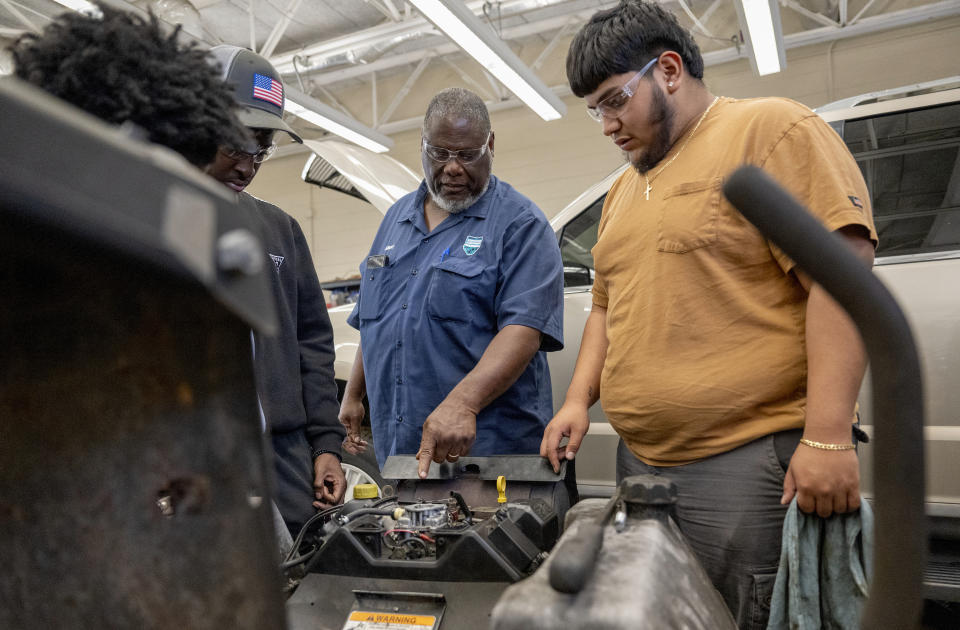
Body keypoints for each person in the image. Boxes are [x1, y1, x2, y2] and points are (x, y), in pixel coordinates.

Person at [539, 1, 877, 627]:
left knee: (738, 615)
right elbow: (607, 307)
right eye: (595, 110)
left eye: (616, 100)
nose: (607, 124)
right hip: (640, 463)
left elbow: (844, 278)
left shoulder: (770, 132)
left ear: (668, 69)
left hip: (741, 467)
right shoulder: (622, 189)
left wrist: (828, 436)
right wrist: (577, 400)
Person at [339, 88, 564, 478]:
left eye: (467, 154)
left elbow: (523, 330)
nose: (453, 168)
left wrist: (464, 404)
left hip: (485, 458)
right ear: (423, 148)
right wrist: (354, 393)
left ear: (490, 145)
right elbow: (379, 315)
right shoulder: (395, 218)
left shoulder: (520, 224)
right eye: (440, 154)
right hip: (402, 453)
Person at [204, 45, 347, 535]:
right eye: (234, 146)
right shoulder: (148, 225)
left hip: (284, 459)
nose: (247, 165)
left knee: (301, 584)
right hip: (198, 462)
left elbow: (313, 343)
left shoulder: (280, 229)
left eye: (261, 149)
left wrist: (326, 445)